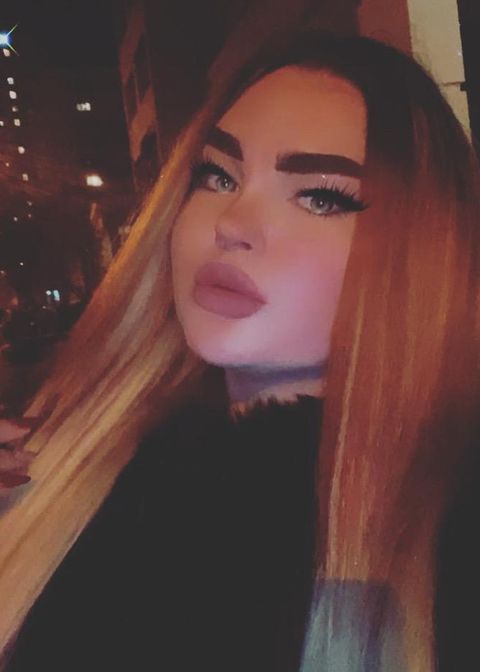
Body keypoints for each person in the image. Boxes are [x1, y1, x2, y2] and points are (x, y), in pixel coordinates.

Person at [0, 29, 479, 672]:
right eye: (217, 175)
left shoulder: (451, 528)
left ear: (425, 252)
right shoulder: (63, 459)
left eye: (321, 196)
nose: (231, 223)